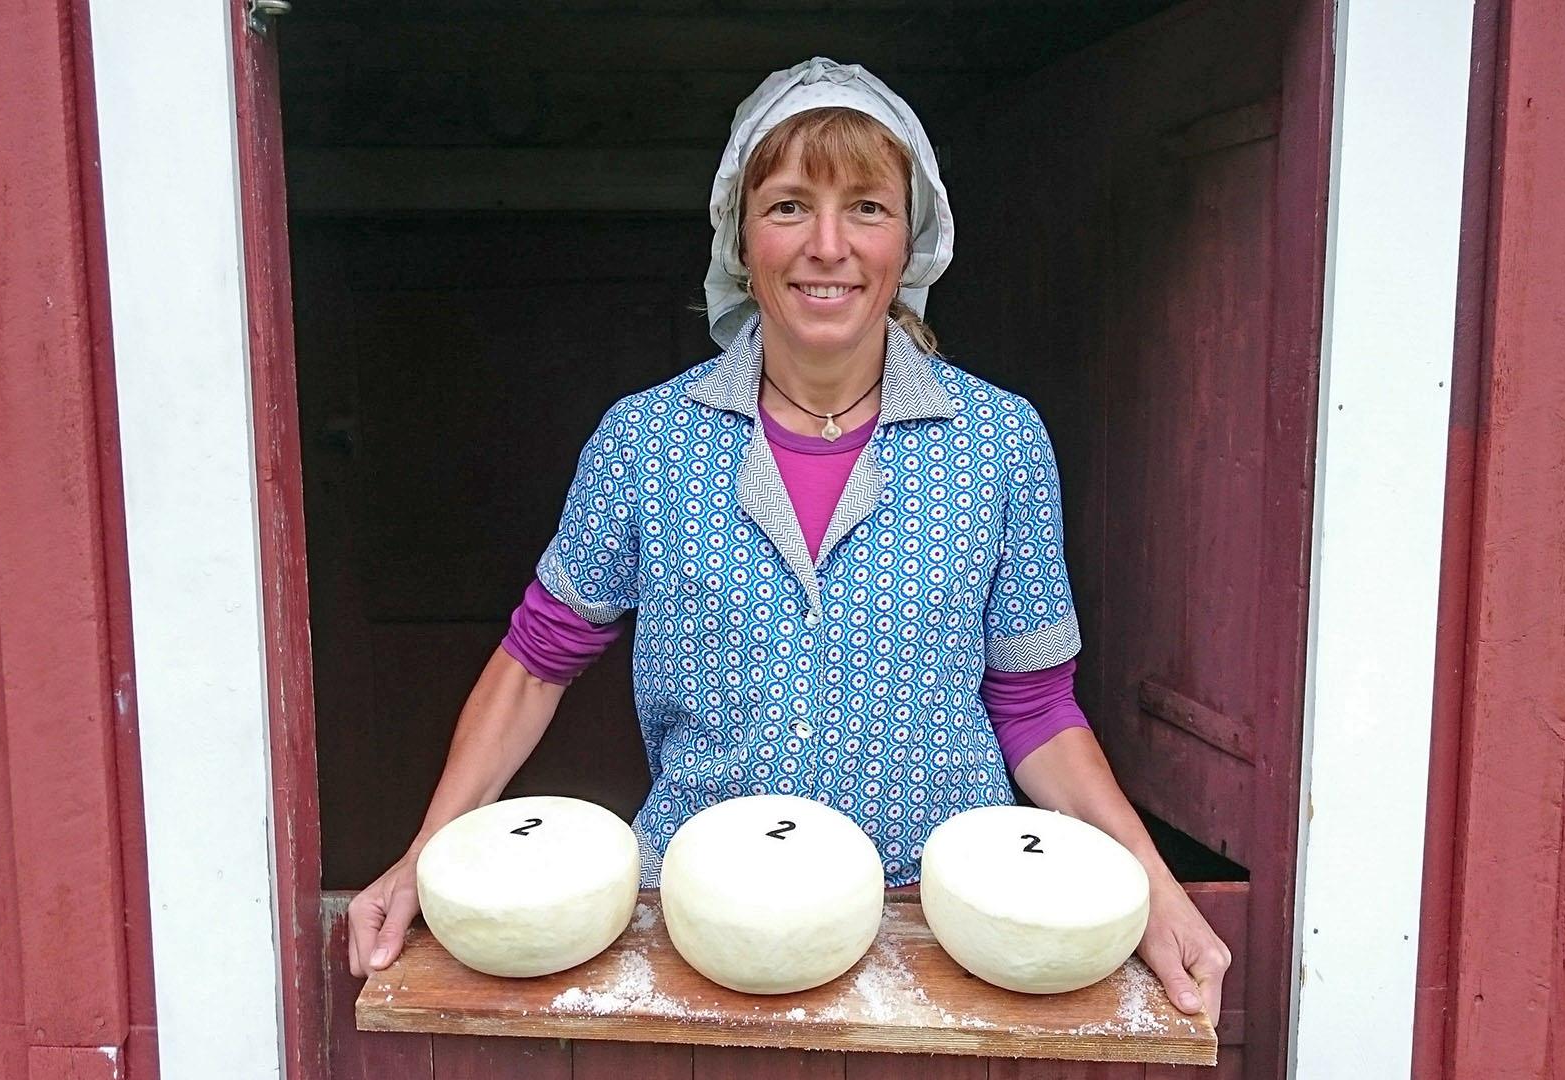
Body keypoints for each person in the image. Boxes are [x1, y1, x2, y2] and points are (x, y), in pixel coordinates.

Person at [347, 56, 1231, 1021]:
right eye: (787, 207)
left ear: (912, 235)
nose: (828, 246)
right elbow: (536, 661)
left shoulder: (999, 442)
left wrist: (1154, 890)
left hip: (935, 925)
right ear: (739, 235)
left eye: (865, 207)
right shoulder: (648, 438)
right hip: (696, 922)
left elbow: (1034, 706)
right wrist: (427, 855)